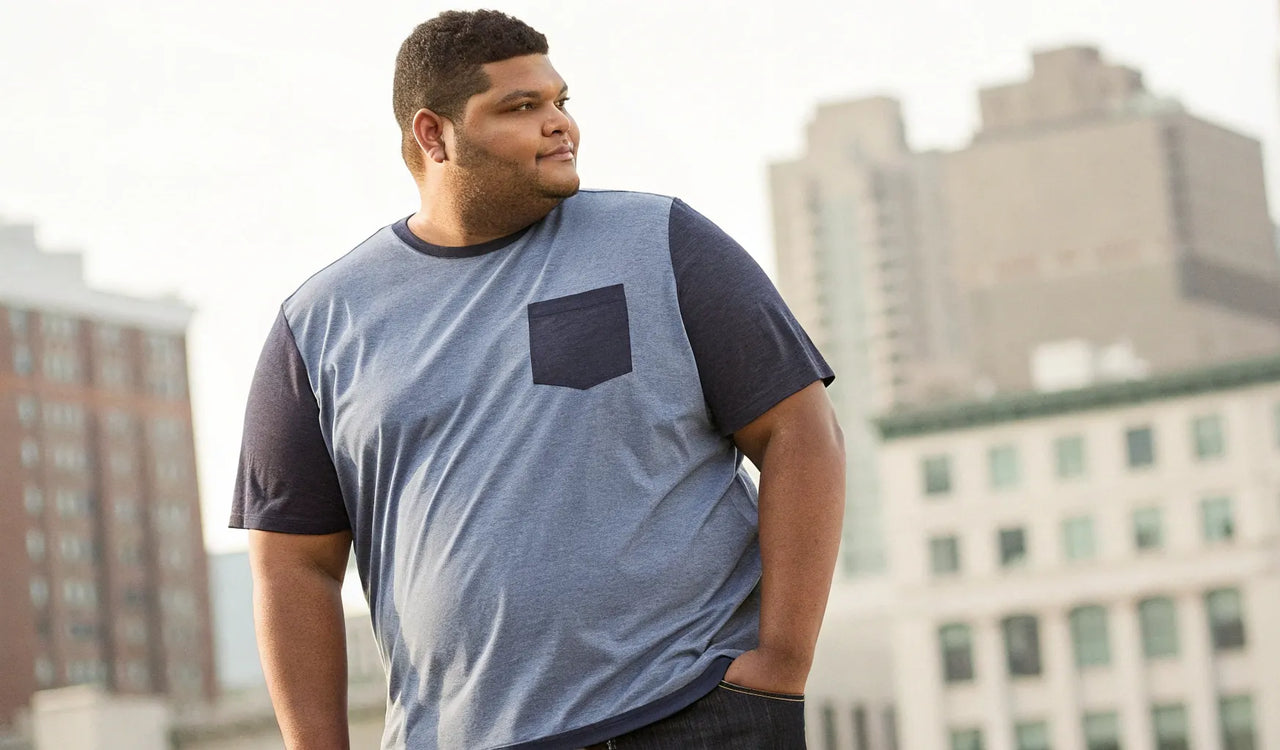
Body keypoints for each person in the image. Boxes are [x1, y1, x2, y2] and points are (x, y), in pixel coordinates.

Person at [230, 9, 845, 750]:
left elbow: (801, 431)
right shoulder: (318, 324)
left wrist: (781, 662)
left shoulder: (662, 241)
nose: (560, 125)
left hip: (687, 711)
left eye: (560, 101)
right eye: (522, 108)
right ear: (434, 134)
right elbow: (293, 564)